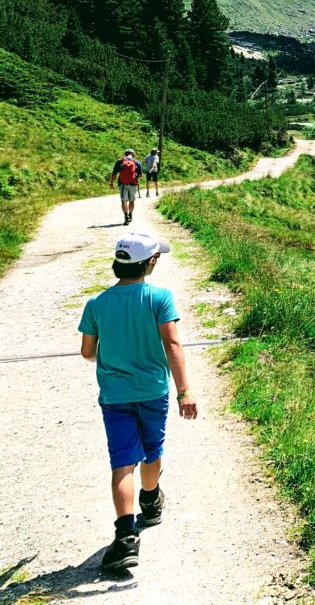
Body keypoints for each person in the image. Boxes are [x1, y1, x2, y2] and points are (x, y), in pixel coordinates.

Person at [79, 231, 198, 574]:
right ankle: (150, 500)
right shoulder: (160, 298)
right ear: (150, 262)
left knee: (121, 463)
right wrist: (184, 391)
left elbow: (88, 352)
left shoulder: (96, 304)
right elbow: (172, 344)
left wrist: (114, 353)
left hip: (115, 396)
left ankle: (125, 537)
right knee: (152, 448)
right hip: (152, 391)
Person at [109, 149, 143, 226]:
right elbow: (140, 175)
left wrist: (111, 183)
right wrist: (135, 176)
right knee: (131, 201)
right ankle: (130, 214)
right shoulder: (137, 162)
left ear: (125, 154)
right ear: (133, 154)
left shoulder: (120, 162)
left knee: (124, 201)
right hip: (133, 184)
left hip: (122, 184)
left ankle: (126, 216)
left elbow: (114, 174)